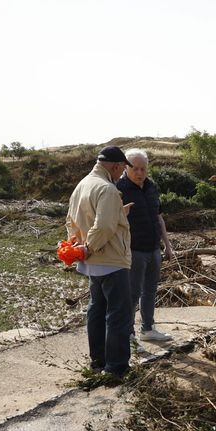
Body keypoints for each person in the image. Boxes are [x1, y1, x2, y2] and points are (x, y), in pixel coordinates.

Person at [66, 146, 134, 378]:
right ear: (115, 166)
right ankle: (116, 368)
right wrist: (88, 247)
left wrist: (76, 246)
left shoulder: (82, 185)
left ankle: (98, 362)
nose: (122, 174)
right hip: (111, 259)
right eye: (123, 169)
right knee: (118, 314)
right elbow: (104, 226)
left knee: (97, 310)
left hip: (92, 262)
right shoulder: (107, 189)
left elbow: (71, 221)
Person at [116, 148, 174, 343]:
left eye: (143, 169)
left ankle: (148, 329)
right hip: (133, 251)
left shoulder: (151, 187)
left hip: (154, 248)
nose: (140, 173)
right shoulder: (118, 188)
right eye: (136, 169)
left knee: (150, 290)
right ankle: (128, 334)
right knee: (132, 294)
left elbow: (159, 217)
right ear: (126, 167)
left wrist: (167, 245)